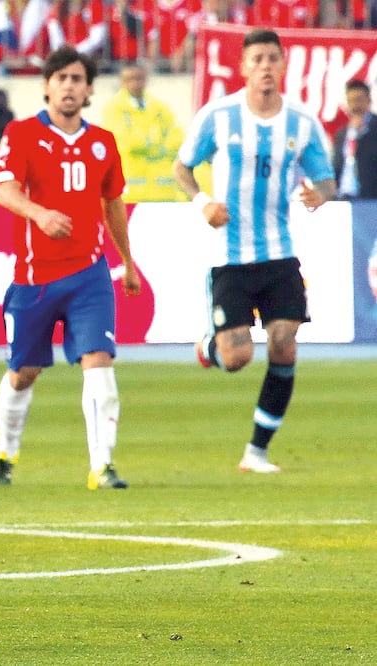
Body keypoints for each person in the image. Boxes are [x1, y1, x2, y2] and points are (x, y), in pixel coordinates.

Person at [173, 28, 335, 473]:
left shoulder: (301, 123)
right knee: (238, 357)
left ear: (284, 66)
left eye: (272, 58)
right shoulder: (218, 116)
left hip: (280, 254)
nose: (265, 66)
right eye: (257, 59)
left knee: (284, 344)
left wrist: (320, 193)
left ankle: (257, 452)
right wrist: (202, 202)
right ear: (243, 67)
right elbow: (182, 167)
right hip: (230, 257)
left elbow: (326, 178)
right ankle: (211, 347)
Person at [0, 45, 142, 489]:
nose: (69, 86)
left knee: (99, 360)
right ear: (47, 87)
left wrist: (127, 262)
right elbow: (5, 190)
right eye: (61, 78)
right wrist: (40, 214)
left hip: (89, 275)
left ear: (89, 89)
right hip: (34, 279)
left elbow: (113, 205)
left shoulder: (103, 142)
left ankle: (102, 466)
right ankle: (6, 449)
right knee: (23, 373)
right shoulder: (20, 133)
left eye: (77, 79)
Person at [101, 64, 187, 203]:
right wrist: (157, 144)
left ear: (145, 80)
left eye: (139, 78)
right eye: (130, 79)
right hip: (131, 194)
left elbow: (177, 138)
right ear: (122, 82)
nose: (135, 83)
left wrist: (152, 144)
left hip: (162, 192)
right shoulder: (114, 108)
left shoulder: (160, 107)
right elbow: (127, 142)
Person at [332, 78, 377, 200]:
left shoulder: (374, 127)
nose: (355, 106)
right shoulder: (342, 133)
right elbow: (337, 165)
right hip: (344, 196)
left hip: (370, 197)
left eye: (359, 100)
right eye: (351, 101)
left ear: (369, 101)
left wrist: (362, 135)